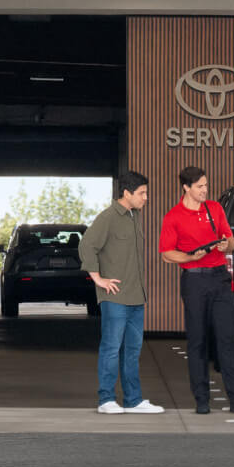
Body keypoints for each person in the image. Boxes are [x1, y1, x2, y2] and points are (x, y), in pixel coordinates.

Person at [158, 165, 234, 416]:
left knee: (228, 340)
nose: (205, 190)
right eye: (200, 187)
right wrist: (190, 257)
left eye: (206, 185)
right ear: (186, 187)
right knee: (198, 340)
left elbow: (231, 240)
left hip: (219, 279)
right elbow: (166, 254)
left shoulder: (215, 209)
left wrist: (226, 245)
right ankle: (202, 400)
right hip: (194, 281)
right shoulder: (173, 216)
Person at [80, 169, 163, 415]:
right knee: (111, 348)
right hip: (115, 297)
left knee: (132, 351)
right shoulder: (108, 217)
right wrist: (98, 278)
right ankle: (106, 400)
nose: (146, 197)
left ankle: (133, 400)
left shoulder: (134, 216)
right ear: (127, 193)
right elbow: (87, 245)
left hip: (136, 296)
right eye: (142, 193)